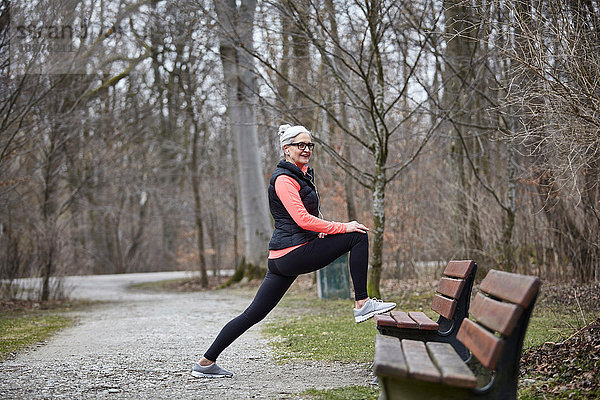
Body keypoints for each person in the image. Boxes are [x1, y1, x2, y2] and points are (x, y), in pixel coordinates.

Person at [191, 124, 396, 378]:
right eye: (300, 145)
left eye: (309, 145)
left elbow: (304, 220)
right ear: (286, 149)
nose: (306, 149)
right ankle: (362, 303)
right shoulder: (284, 179)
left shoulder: (300, 176)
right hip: (291, 253)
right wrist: (340, 226)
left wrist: (320, 231)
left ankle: (205, 362)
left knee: (253, 314)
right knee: (356, 235)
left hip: (284, 257)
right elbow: (301, 219)